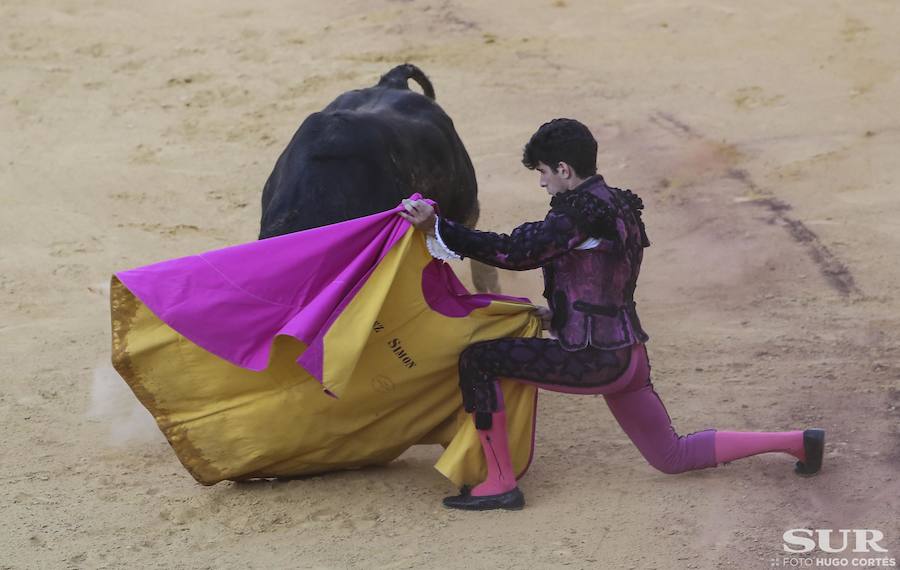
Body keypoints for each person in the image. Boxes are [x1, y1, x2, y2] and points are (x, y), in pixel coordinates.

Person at [398, 118, 825, 511]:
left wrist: (439, 227)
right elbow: (603, 276)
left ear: (564, 169)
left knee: (479, 360)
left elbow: (515, 251)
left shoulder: (578, 214)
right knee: (671, 456)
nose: (542, 183)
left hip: (593, 357)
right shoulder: (618, 204)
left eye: (543, 172)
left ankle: (499, 483)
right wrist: (560, 313)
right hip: (628, 355)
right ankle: (798, 442)